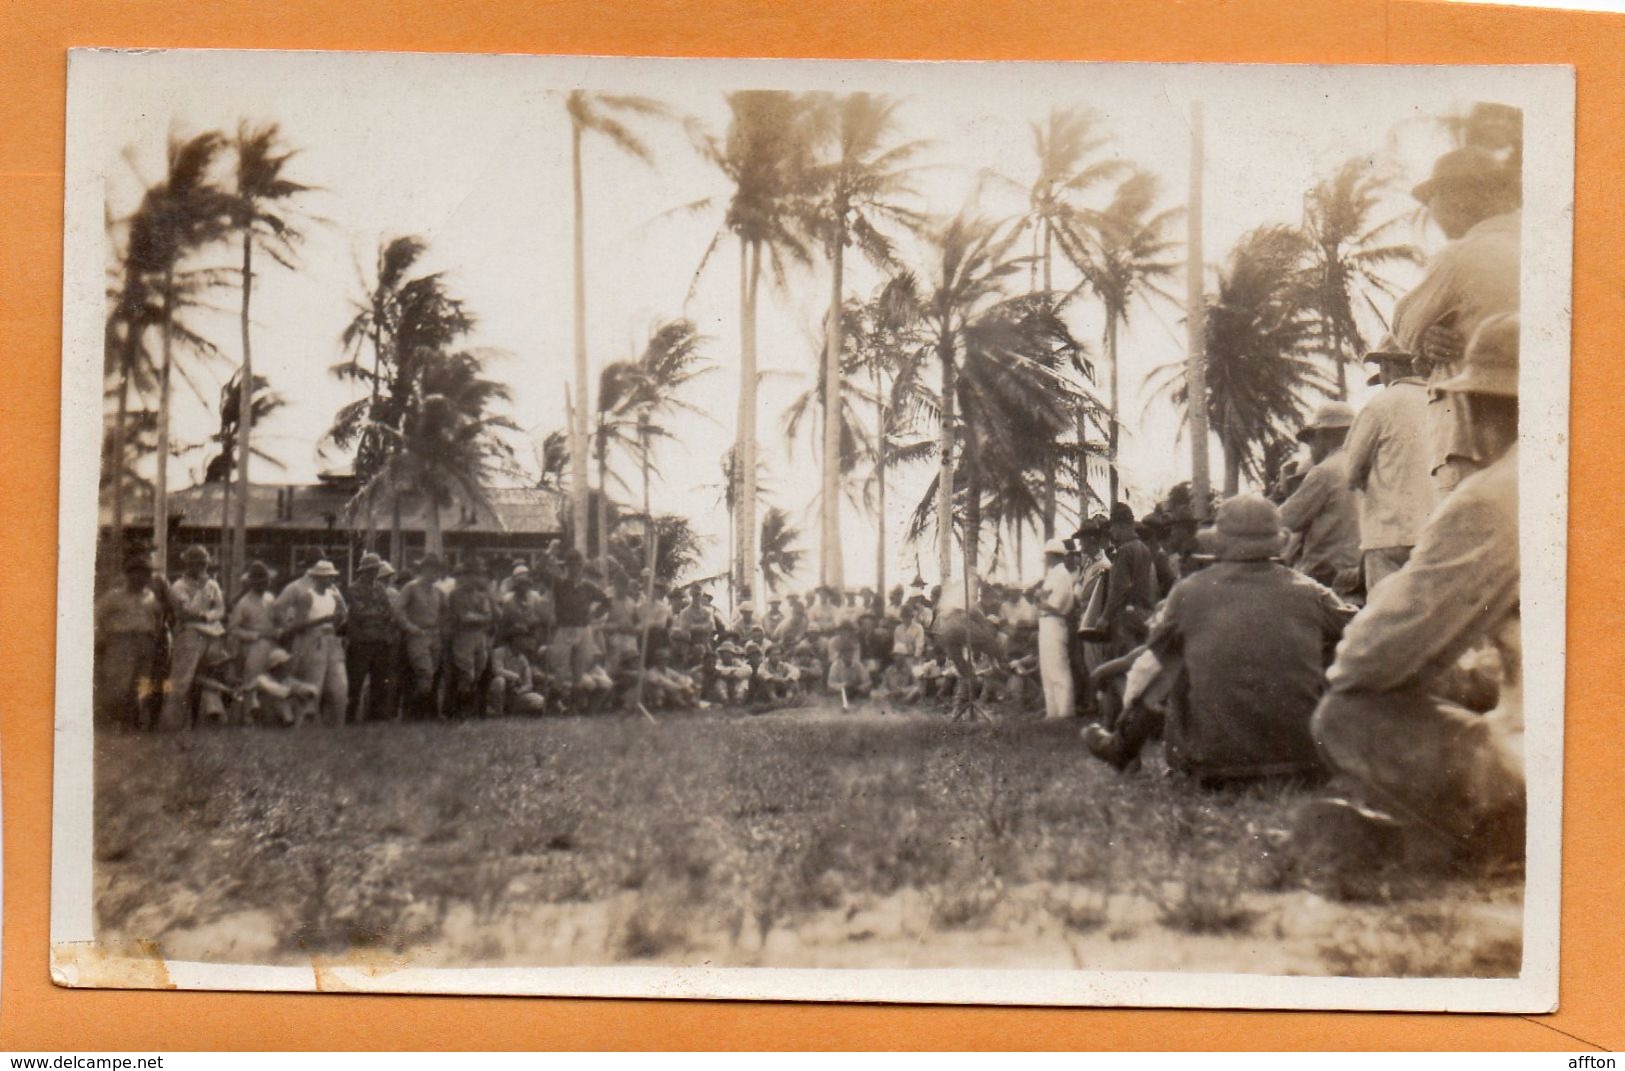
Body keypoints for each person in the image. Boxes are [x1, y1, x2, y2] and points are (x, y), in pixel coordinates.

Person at [1307, 313, 1524, 874]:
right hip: (1432, 525)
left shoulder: (1496, 492)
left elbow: (1366, 662)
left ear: (1474, 408)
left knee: (1353, 701)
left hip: (1395, 539)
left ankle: (1494, 822)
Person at [1083, 494, 1356, 785]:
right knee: (1341, 644)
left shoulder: (1189, 592)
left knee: (1171, 656)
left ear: (1219, 541)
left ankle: (1122, 746)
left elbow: (1152, 657)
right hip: (1305, 764)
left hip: (1213, 767)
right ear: (1278, 540)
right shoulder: (1310, 592)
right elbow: (1363, 629)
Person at [1391, 145, 1521, 498]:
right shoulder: (1543, 245)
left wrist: (1424, 340)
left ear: (1456, 197)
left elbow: (1405, 326)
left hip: (1473, 437)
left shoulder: (1461, 255)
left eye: (1433, 199)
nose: (1432, 212)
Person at [1345, 340, 1435, 594]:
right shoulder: (1442, 400)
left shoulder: (1380, 405)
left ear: (1386, 366)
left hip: (1388, 534)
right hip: (1436, 534)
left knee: (1386, 622)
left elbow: (1350, 473)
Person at [1279, 401, 1362, 592]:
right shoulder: (1367, 462)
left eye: (1311, 443)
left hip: (1328, 573)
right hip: (1364, 567)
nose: (1311, 450)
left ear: (1321, 436)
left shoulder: (1325, 471)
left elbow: (1285, 520)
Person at [273, 558, 349, 726]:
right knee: (314, 686)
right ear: (317, 578)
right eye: (326, 576)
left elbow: (337, 621)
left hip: (331, 641)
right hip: (312, 641)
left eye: (331, 576)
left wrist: (337, 620)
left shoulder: (333, 595)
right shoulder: (308, 596)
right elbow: (298, 625)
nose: (330, 579)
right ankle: (305, 726)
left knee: (339, 687)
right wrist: (322, 620)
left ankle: (337, 725)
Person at [94, 553, 165, 730]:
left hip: (145, 641)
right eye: (137, 573)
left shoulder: (150, 597)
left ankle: (134, 722)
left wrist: (155, 636)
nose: (141, 577)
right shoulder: (114, 597)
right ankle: (115, 723)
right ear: (128, 574)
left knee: (141, 683)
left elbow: (158, 617)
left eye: (146, 573)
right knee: (119, 682)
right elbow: (96, 615)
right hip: (121, 642)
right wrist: (100, 637)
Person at [344, 552, 404, 723]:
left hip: (379, 640)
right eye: (370, 569)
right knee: (355, 681)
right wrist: (376, 614)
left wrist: (375, 614)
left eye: (375, 569)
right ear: (363, 570)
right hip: (360, 641)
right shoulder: (353, 588)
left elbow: (388, 610)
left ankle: (376, 717)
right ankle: (350, 717)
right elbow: (359, 612)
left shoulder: (380, 588)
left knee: (380, 681)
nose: (373, 572)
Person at [397, 553, 448, 720]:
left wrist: (440, 628)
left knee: (432, 675)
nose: (436, 573)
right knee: (425, 674)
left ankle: (422, 713)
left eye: (438, 570)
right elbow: (398, 610)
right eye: (432, 569)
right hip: (417, 635)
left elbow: (444, 612)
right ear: (424, 569)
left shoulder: (438, 592)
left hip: (434, 635)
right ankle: (410, 712)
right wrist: (410, 627)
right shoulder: (411, 588)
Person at [1101, 503, 1156, 657]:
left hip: (1126, 618)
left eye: (1113, 527)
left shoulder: (1124, 551)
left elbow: (1119, 588)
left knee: (1122, 662)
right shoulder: (1143, 548)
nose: (1111, 531)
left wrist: (1105, 617)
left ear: (1120, 526)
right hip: (1143, 616)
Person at [447, 558, 496, 717]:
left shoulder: (481, 596)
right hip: (463, 636)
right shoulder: (456, 594)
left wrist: (476, 617)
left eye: (478, 575)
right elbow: (463, 618)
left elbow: (489, 617)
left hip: (479, 636)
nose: (475, 578)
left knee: (479, 670)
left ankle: (470, 709)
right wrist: (478, 617)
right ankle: (460, 711)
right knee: (466, 673)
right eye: (471, 575)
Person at [550, 549, 607, 686]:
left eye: (577, 565)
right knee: (561, 670)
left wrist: (594, 614)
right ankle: (557, 702)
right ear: (566, 566)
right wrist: (550, 552)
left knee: (580, 670)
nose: (574, 569)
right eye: (571, 565)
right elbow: (540, 572)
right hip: (565, 629)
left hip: (583, 629)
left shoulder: (587, 586)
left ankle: (575, 704)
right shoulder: (559, 585)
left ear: (581, 566)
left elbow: (606, 601)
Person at [1036, 537, 1077, 720]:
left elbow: (1054, 605)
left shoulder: (1062, 575)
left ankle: (1065, 712)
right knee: (1047, 669)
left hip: (1055, 622)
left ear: (1051, 556)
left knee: (1058, 668)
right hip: (1046, 623)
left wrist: (1039, 599)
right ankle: (1053, 713)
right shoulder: (1053, 574)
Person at [227, 560, 278, 694]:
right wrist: (255, 635)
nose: (264, 584)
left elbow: (275, 620)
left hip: (272, 644)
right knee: (253, 684)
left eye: (266, 581)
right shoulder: (244, 603)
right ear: (252, 584)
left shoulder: (270, 598)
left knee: (272, 685)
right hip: (254, 647)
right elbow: (233, 629)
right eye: (260, 582)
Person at [246, 647, 319, 726]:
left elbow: (312, 689)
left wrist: (308, 693)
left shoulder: (287, 680)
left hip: (279, 717)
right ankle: (288, 723)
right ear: (278, 665)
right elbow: (279, 691)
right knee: (282, 699)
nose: (289, 665)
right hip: (265, 716)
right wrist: (296, 693)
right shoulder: (261, 679)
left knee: (303, 698)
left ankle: (300, 725)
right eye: (286, 663)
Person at [487, 627, 548, 716]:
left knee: (540, 701)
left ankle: (510, 710)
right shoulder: (499, 652)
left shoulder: (523, 659)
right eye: (523, 638)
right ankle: (497, 712)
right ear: (515, 639)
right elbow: (496, 670)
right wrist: (516, 676)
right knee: (499, 681)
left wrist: (519, 691)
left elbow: (529, 684)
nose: (526, 641)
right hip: (498, 692)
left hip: (515, 694)